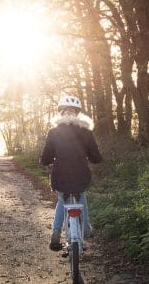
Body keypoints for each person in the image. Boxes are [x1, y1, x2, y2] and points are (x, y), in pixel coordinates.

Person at [40, 95, 103, 251]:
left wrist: (46, 162)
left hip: (60, 175)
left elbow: (46, 158)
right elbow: (96, 158)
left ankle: (56, 232)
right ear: (78, 113)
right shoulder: (87, 132)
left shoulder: (53, 132)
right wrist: (94, 158)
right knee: (81, 195)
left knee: (63, 198)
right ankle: (86, 229)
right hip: (81, 174)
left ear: (61, 113)